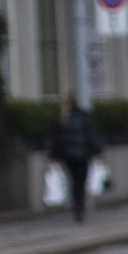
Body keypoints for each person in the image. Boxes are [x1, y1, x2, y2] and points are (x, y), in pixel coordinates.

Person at [47, 93, 102, 225]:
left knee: (73, 181)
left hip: (68, 156)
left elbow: (57, 140)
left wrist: (53, 157)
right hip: (82, 155)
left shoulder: (63, 118)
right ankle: (79, 207)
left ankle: (76, 207)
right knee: (80, 182)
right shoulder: (84, 117)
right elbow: (90, 137)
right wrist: (98, 152)